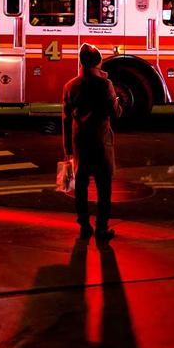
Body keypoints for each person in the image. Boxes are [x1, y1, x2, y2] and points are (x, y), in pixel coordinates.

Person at [62, 43, 122, 240]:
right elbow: (115, 113)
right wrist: (117, 100)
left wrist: (68, 148)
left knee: (80, 185)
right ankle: (102, 228)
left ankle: (84, 225)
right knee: (104, 187)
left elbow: (66, 118)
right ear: (99, 62)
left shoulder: (71, 86)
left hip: (79, 142)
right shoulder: (105, 85)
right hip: (101, 142)